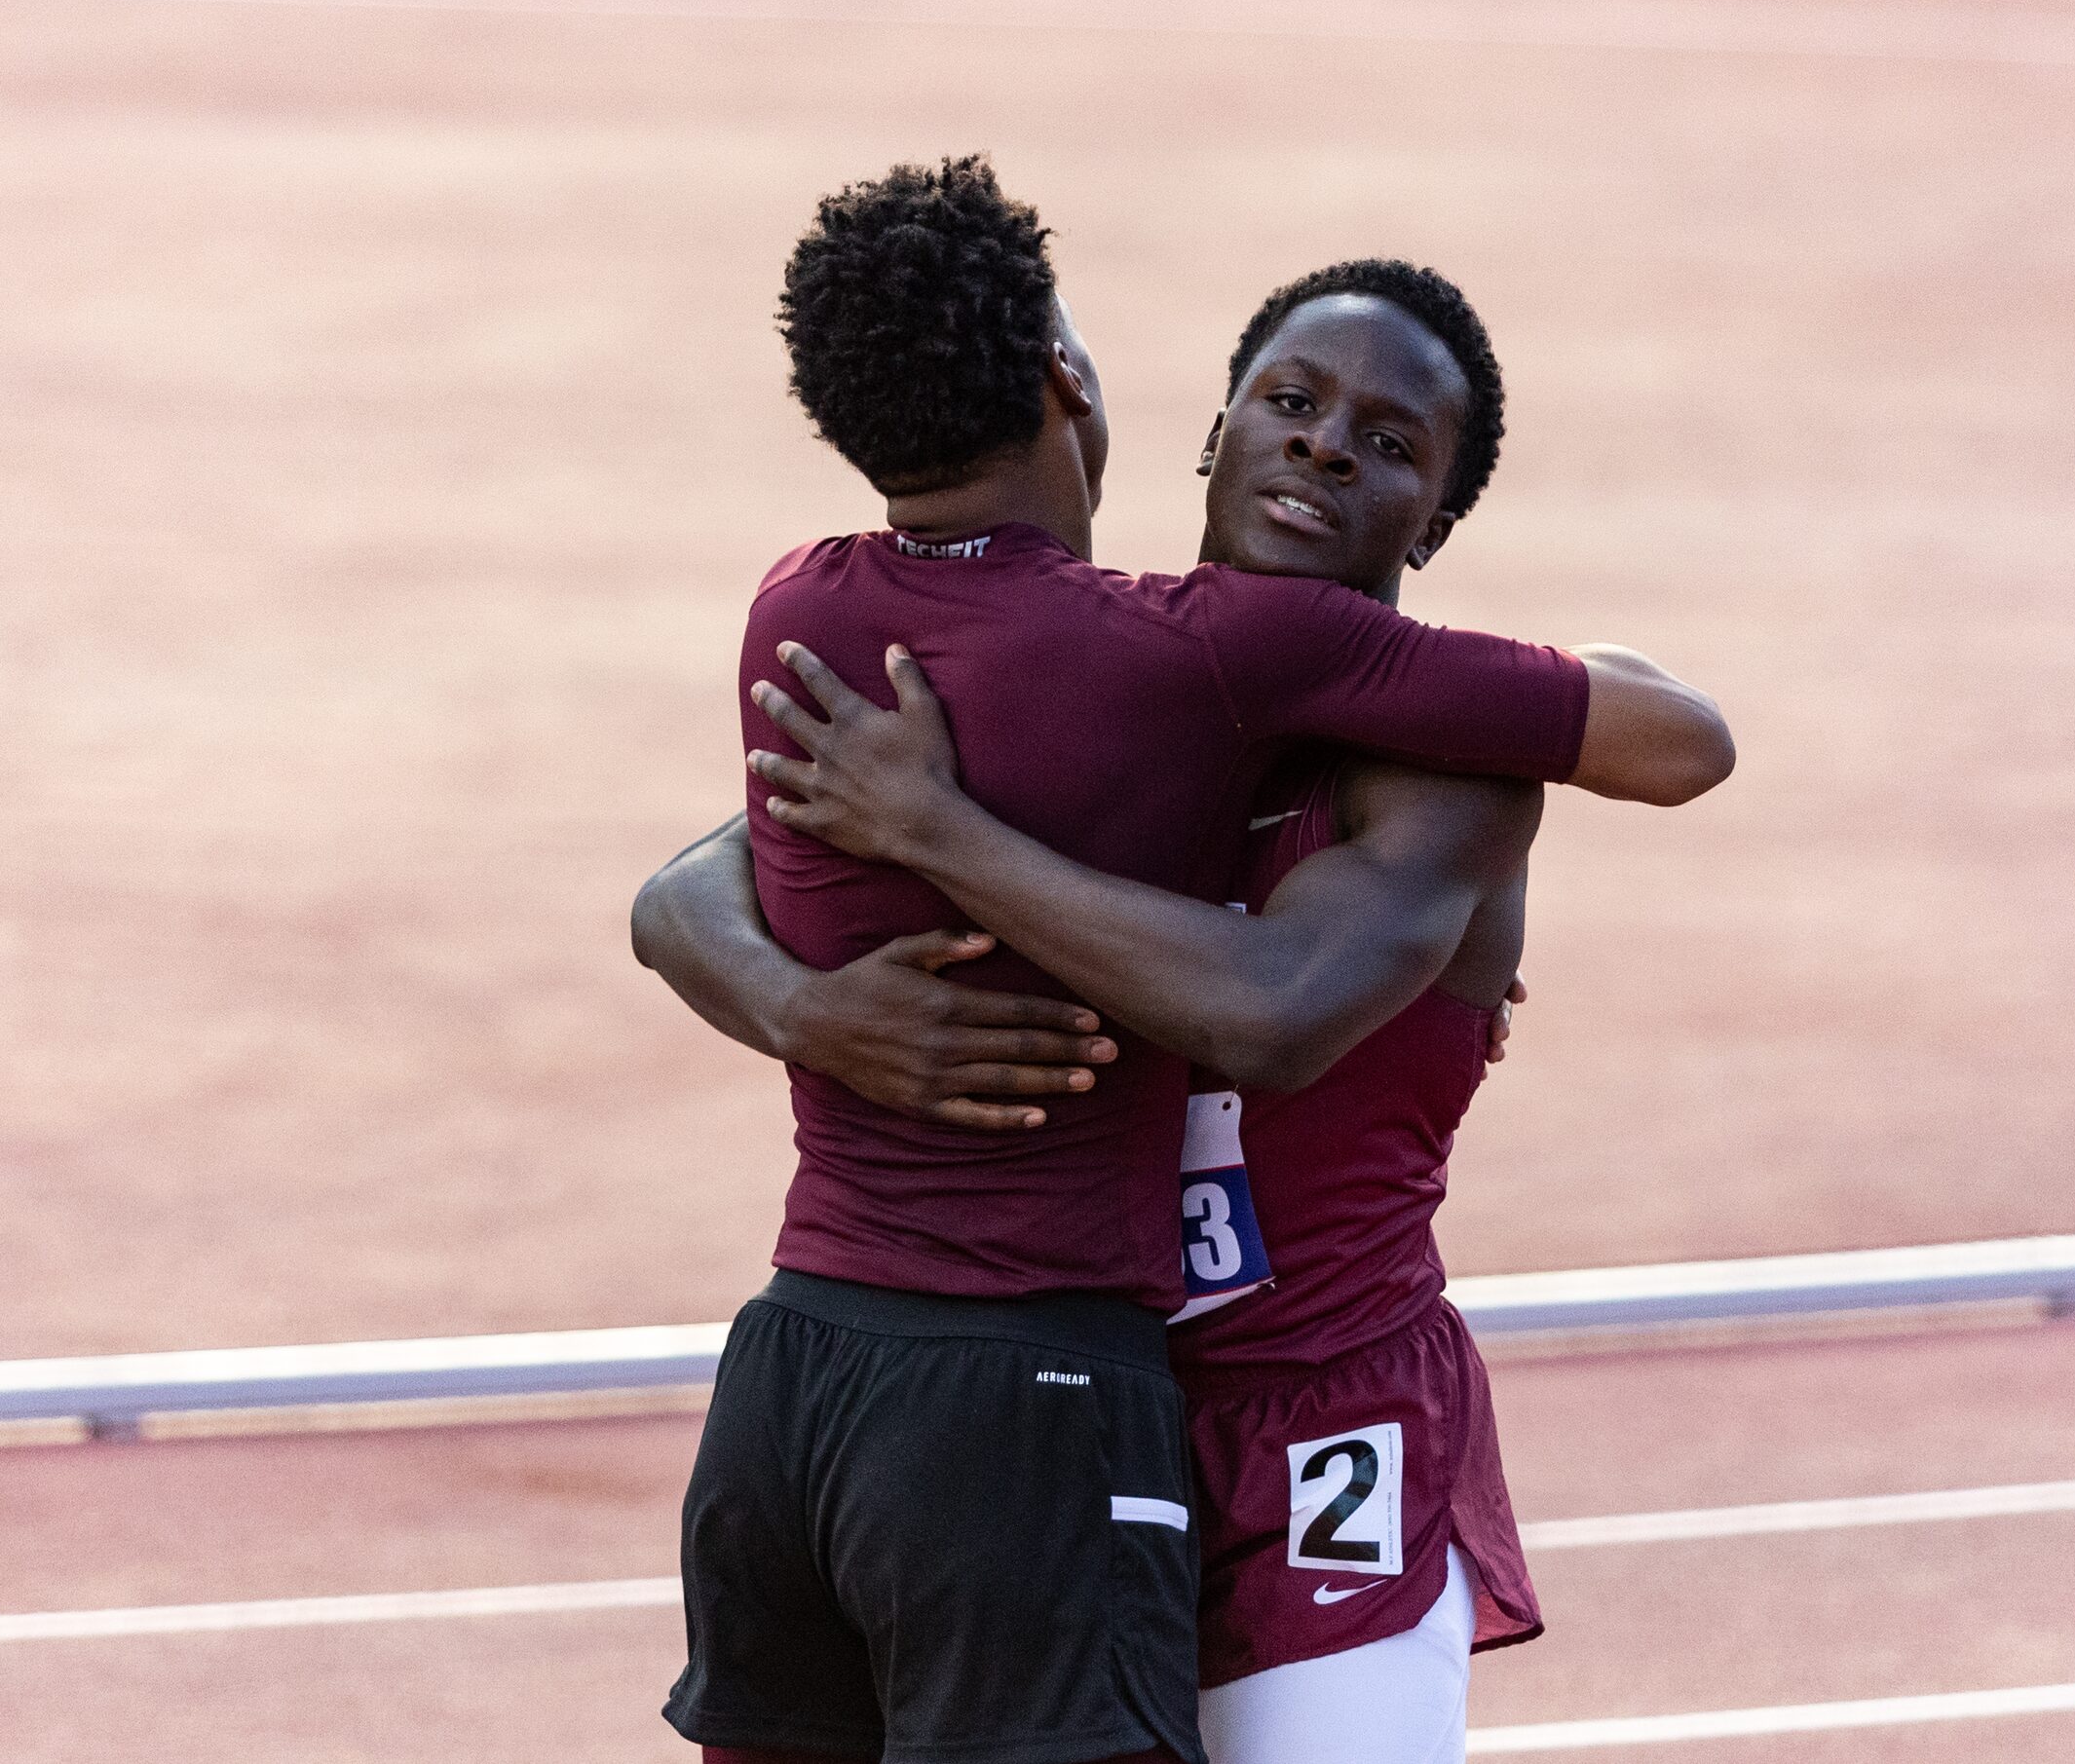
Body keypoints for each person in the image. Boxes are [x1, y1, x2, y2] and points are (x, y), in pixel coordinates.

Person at [641, 158, 1729, 1764]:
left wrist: (941, 833)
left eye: (1387, 442)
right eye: (1289, 399)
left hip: (1314, 1425)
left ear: (1434, 515)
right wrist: (808, 1003)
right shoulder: (1114, 672)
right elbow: (686, 886)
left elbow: (1280, 1007)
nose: (1321, 442)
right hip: (1077, 1389)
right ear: (1208, 430)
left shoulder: (1437, 772)